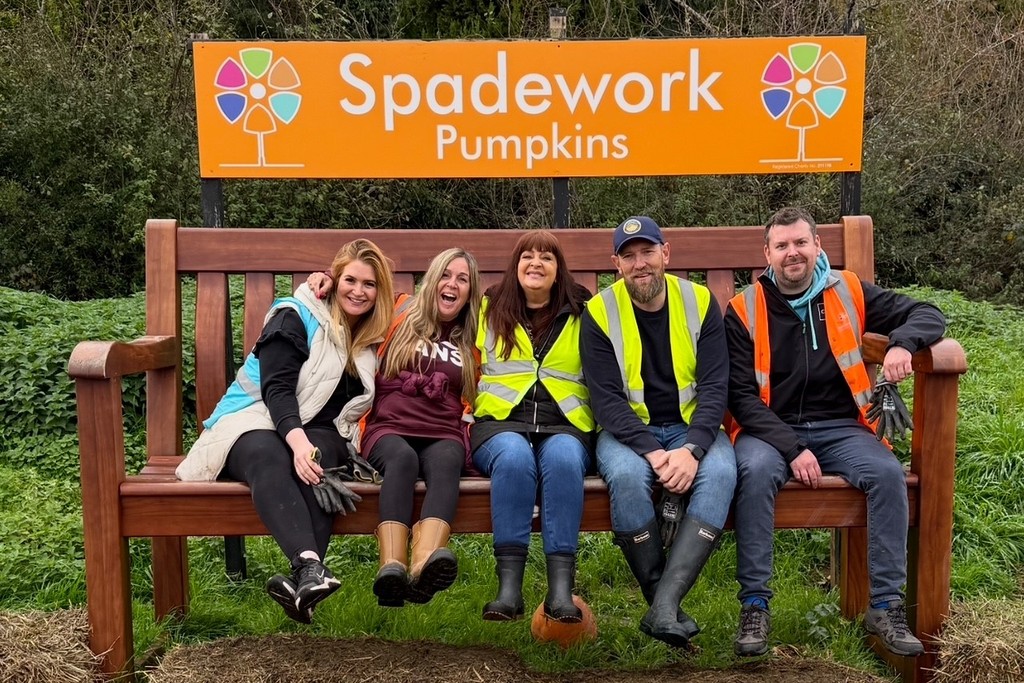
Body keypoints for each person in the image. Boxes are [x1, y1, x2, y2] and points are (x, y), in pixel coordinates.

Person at [725, 206, 946, 658]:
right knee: (754, 472)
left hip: (843, 426)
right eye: (782, 245)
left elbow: (928, 313)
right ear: (767, 254)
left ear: (817, 246)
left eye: (800, 243)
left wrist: (902, 343)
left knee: (887, 474)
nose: (792, 253)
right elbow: (741, 397)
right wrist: (792, 448)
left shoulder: (848, 289)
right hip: (769, 430)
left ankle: (885, 607)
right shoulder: (743, 308)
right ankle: (755, 606)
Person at [176, 239, 394, 624]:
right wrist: (297, 443)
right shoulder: (294, 314)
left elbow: (418, 307)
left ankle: (303, 585)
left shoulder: (367, 339)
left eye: (369, 284)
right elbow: (276, 389)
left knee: (319, 462)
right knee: (271, 454)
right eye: (350, 280)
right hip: (251, 419)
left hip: (320, 432)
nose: (359, 291)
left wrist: (308, 449)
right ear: (335, 279)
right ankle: (309, 565)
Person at [580, 216, 736, 648]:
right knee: (627, 477)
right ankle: (663, 606)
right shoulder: (599, 311)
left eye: (647, 252)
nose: (640, 264)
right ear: (616, 264)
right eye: (628, 256)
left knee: (722, 472)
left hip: (692, 427)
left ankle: (662, 605)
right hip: (628, 433)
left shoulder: (699, 301)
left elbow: (715, 386)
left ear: (665, 253)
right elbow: (606, 400)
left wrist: (692, 448)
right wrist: (653, 452)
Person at [312, 248, 482, 608]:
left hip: (443, 430)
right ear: (432, 280)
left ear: (471, 292)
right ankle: (391, 566)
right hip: (388, 426)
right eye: (445, 275)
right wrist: (327, 277)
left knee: (448, 460)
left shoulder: (472, 337)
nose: (452, 284)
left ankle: (423, 566)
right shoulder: (398, 310)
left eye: (462, 279)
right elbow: (356, 292)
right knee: (402, 459)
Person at [471, 230, 594, 624]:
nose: (536, 263)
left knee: (563, 460)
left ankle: (560, 592)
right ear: (515, 265)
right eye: (527, 256)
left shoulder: (583, 310)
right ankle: (509, 590)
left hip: (565, 424)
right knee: (514, 458)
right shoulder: (488, 307)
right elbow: (432, 305)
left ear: (559, 270)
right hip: (500, 423)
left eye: (546, 257)